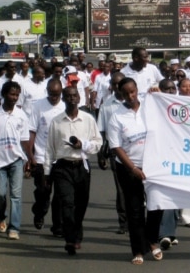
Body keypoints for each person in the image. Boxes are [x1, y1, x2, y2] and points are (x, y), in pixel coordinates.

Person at [108, 77, 164, 265]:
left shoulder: (150, 106)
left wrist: (160, 96)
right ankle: (138, 249)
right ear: (121, 95)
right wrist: (132, 168)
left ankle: (152, 240)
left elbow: (170, 115)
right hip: (129, 168)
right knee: (135, 210)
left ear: (137, 89)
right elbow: (116, 147)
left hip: (153, 166)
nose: (131, 96)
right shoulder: (116, 116)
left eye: (133, 92)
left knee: (157, 206)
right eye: (126, 94)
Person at [44, 86, 102, 255]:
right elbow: (49, 149)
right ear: (63, 99)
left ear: (78, 98)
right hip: (62, 167)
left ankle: (77, 233)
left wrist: (82, 145)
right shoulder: (56, 121)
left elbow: (97, 143)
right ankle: (70, 239)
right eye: (67, 96)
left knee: (81, 204)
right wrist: (47, 173)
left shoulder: (88, 119)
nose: (71, 99)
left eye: (74, 96)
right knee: (67, 203)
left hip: (81, 166)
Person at [0, 81, 32, 240]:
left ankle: (14, 228)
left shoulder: (21, 115)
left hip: (16, 160)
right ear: (4, 94)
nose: (14, 98)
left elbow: (25, 139)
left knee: (15, 195)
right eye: (11, 94)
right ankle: (0, 217)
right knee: (0, 194)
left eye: (16, 95)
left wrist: (28, 159)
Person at [28, 79, 65, 233]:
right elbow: (32, 131)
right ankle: (39, 212)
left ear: (61, 92)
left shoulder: (65, 106)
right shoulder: (38, 106)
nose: (53, 97)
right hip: (42, 156)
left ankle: (57, 225)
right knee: (44, 191)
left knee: (61, 194)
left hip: (62, 156)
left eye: (56, 95)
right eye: (51, 94)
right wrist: (30, 156)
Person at [97, 72, 128, 235]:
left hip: (136, 150)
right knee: (121, 188)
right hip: (115, 151)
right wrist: (101, 154)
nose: (117, 87)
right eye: (114, 84)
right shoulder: (106, 105)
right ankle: (123, 222)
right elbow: (101, 131)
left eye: (120, 83)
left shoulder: (137, 103)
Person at [157, 78, 181, 251]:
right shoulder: (153, 108)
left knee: (176, 198)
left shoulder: (183, 107)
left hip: (180, 157)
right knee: (165, 196)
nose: (171, 92)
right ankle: (164, 234)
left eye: (173, 89)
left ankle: (169, 231)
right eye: (167, 89)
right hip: (160, 157)